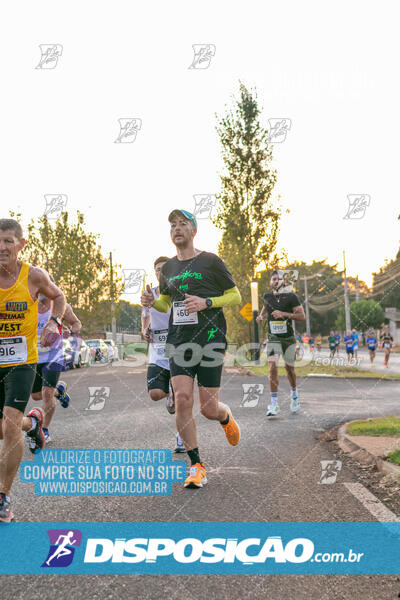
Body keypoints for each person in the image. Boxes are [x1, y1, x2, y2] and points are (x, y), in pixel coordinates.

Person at [141, 209, 241, 489]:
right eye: (172, 224)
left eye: (182, 224)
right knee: (183, 400)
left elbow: (235, 295)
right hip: (179, 341)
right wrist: (151, 301)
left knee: (209, 408)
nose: (176, 228)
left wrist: (206, 303)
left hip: (210, 340)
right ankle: (196, 465)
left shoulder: (210, 261)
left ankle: (225, 416)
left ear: (194, 230)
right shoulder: (169, 268)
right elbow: (166, 304)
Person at [0, 219, 66, 522]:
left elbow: (59, 296)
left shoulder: (33, 276)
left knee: (9, 425)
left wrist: (55, 322)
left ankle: (4, 496)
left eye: (8, 241)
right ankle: (34, 423)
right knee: (5, 427)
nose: (2, 247)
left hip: (22, 361)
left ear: (21, 244)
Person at [141, 256, 185, 453]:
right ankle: (168, 391)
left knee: (181, 398)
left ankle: (181, 437)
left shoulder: (179, 292)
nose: (160, 272)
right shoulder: (149, 294)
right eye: (157, 269)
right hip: (158, 351)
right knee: (155, 394)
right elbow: (146, 316)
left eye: (164, 269)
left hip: (177, 348)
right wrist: (145, 330)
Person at [29, 280, 81, 445]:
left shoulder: (61, 306)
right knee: (36, 395)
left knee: (46, 393)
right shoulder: (28, 305)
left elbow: (77, 323)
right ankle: (60, 391)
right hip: (34, 357)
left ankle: (44, 429)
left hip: (54, 356)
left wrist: (69, 332)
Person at [256, 270, 306, 416]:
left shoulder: (291, 296)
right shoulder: (267, 296)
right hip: (273, 337)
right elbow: (265, 309)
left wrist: (284, 314)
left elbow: (301, 316)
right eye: (274, 279)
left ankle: (294, 396)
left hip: (288, 338)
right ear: (270, 282)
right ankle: (274, 403)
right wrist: (260, 316)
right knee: (272, 367)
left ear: (284, 282)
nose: (276, 281)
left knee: (289, 368)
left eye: (279, 279)